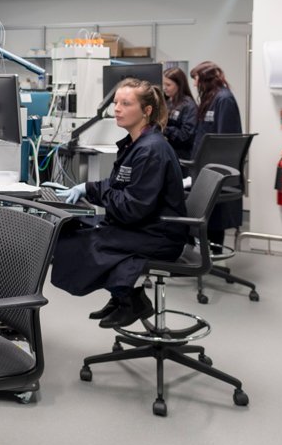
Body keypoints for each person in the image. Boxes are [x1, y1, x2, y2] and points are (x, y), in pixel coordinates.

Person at [51, 78, 188, 328]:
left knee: (85, 239)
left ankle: (129, 298)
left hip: (160, 235)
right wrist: (88, 188)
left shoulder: (151, 150)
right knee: (77, 228)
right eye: (115, 103)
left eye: (126, 103)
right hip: (147, 225)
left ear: (146, 111)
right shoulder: (137, 144)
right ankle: (123, 296)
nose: (116, 109)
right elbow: (119, 187)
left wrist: (94, 193)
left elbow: (131, 207)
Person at [190, 60, 243, 247]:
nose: (195, 84)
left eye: (196, 79)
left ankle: (213, 255)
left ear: (206, 78)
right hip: (203, 167)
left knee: (214, 217)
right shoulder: (211, 99)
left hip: (215, 171)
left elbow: (225, 142)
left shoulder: (224, 99)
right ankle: (204, 254)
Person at [162, 66, 197, 161]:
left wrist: (164, 129)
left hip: (182, 156)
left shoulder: (189, 105)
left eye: (168, 85)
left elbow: (185, 136)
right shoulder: (167, 102)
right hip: (169, 152)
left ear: (179, 85)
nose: (164, 88)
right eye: (163, 85)